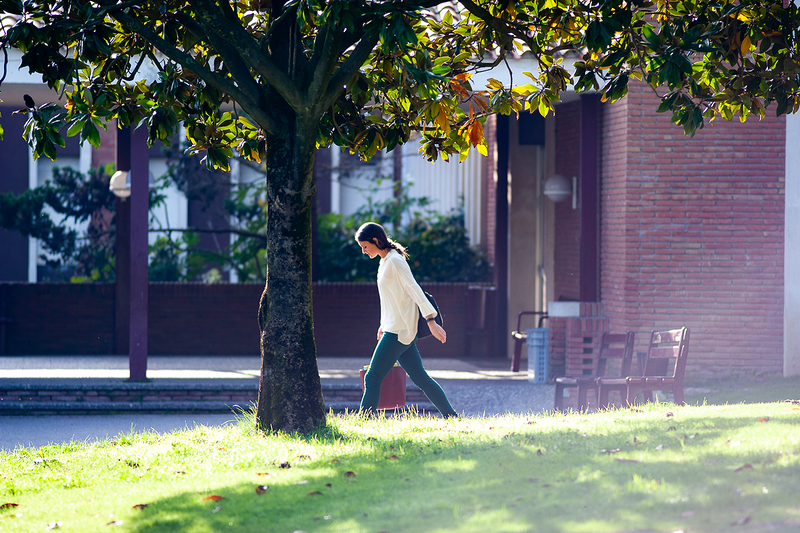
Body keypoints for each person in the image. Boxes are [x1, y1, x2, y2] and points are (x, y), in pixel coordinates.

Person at [355, 222, 458, 418]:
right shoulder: (385, 261)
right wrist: (382, 325)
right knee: (421, 378)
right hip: (396, 329)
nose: (364, 251)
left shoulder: (395, 261)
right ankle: (451, 416)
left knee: (373, 377)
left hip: (398, 331)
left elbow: (414, 289)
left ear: (375, 240)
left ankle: (364, 420)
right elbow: (391, 299)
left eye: (365, 246)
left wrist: (431, 320)